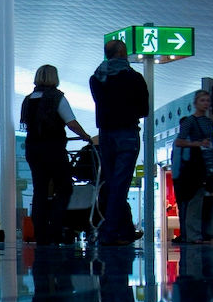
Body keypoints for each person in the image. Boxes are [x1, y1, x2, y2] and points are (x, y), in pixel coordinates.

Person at [20, 64, 93, 246]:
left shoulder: (28, 100)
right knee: (64, 187)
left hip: (33, 149)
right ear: (55, 78)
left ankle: (41, 234)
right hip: (53, 148)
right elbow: (71, 122)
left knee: (40, 191)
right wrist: (86, 136)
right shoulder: (57, 98)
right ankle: (56, 228)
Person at [89, 39, 149, 246]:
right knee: (120, 184)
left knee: (113, 182)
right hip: (127, 134)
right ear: (122, 52)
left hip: (106, 134)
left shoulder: (96, 79)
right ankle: (110, 231)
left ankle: (123, 228)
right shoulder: (134, 78)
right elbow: (144, 110)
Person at [173, 90, 213, 243]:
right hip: (197, 164)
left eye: (207, 101)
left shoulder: (209, 122)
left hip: (210, 161)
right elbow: (179, 141)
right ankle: (194, 234)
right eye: (202, 101)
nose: (205, 104)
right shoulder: (189, 121)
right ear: (196, 103)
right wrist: (197, 144)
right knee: (195, 198)